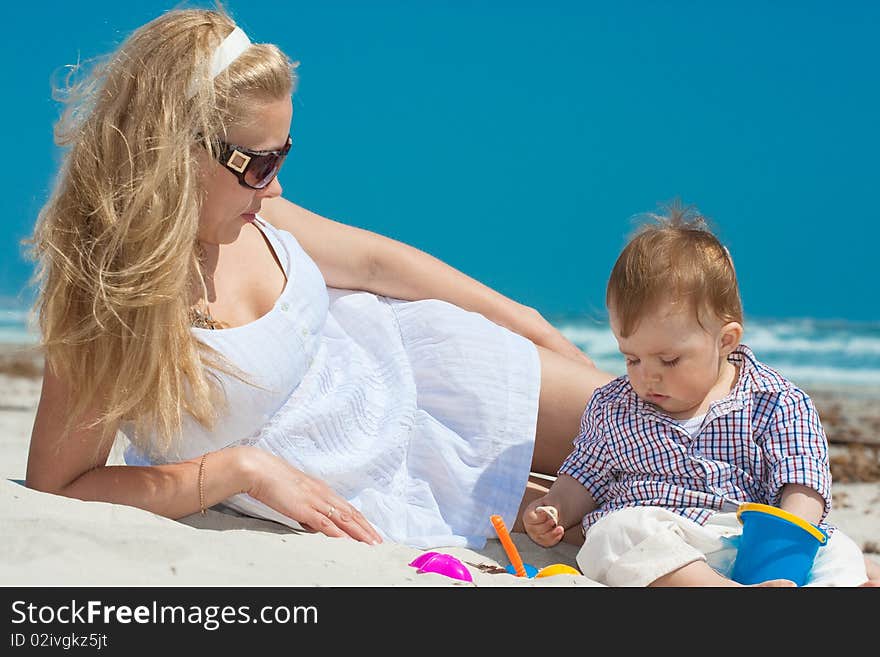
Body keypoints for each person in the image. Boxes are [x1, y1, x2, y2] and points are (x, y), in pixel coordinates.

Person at [24, 8, 613, 550]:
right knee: (631, 520)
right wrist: (236, 470)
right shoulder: (107, 307)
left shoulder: (253, 208)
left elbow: (378, 265)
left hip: (436, 370)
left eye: (282, 156)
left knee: (680, 426)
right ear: (174, 154)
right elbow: (60, 487)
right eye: (258, 163)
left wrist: (528, 324)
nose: (275, 185)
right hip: (375, 489)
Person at [522, 204, 878, 586]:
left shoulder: (775, 401)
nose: (646, 376)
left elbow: (803, 481)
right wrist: (556, 507)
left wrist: (788, 537)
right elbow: (584, 476)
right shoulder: (614, 407)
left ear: (725, 341)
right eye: (631, 358)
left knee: (838, 550)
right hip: (665, 540)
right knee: (613, 532)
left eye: (669, 360)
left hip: (749, 537)